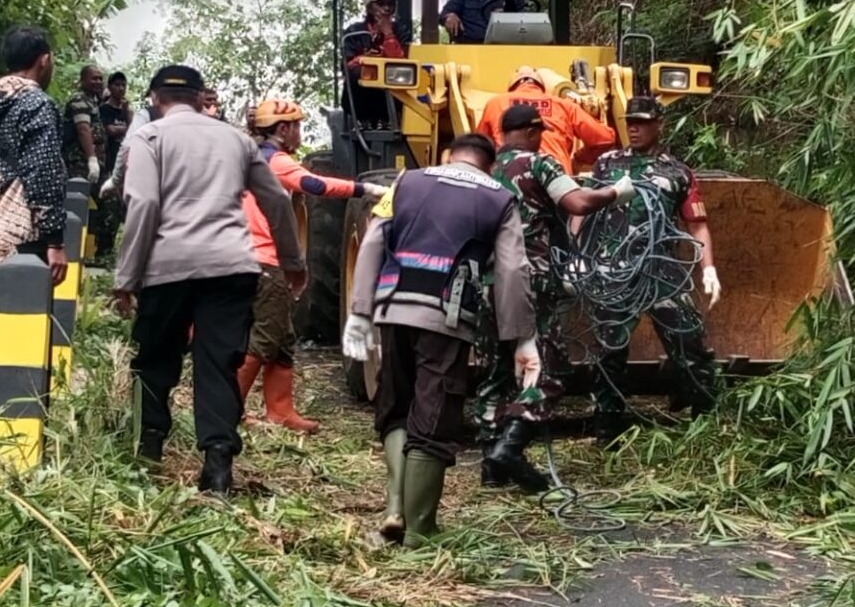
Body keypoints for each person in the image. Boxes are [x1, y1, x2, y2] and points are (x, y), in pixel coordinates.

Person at [112, 64, 304, 495]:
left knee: (156, 360)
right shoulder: (236, 138)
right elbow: (274, 198)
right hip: (230, 267)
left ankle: (148, 454)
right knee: (218, 362)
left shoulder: (150, 137)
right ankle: (217, 467)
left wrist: (127, 277)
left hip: (166, 268)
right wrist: (293, 261)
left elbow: (142, 203)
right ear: (201, 99)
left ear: (155, 100)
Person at [343, 133, 535, 545]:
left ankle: (396, 509)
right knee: (433, 416)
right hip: (445, 319)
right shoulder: (498, 198)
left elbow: (375, 239)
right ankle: (421, 532)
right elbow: (513, 271)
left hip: (393, 311)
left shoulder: (406, 182)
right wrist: (521, 338)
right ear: (489, 164)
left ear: (449, 157)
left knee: (396, 408)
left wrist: (360, 312)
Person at [474, 104, 633, 491]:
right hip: (530, 281)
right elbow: (576, 203)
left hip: (486, 283)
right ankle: (509, 450)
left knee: (495, 369)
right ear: (532, 132)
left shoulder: (482, 171)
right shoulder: (539, 164)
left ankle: (490, 465)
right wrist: (615, 192)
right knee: (549, 370)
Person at [236, 98, 388, 432]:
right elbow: (315, 185)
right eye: (297, 126)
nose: (300, 133)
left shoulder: (251, 157)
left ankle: (280, 411)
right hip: (264, 258)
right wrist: (366, 188)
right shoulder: (276, 162)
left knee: (282, 338)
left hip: (251, 256)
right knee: (265, 337)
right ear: (283, 128)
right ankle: (230, 409)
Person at [587, 96, 723, 446]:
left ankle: (705, 421)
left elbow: (698, 223)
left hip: (662, 271)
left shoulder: (677, 172)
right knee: (609, 351)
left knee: (688, 345)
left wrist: (708, 269)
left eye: (642, 121)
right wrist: (578, 254)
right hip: (615, 270)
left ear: (658, 124)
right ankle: (607, 428)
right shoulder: (606, 164)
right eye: (630, 120)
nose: (633, 126)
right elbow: (584, 210)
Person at [0, 26, 69, 413]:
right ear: (44, 60)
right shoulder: (36, 104)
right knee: (26, 324)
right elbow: (44, 169)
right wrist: (55, 240)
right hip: (24, 231)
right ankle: (20, 414)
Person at [476, 66, 617, 175]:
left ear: (512, 87)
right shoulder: (564, 105)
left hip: (510, 180)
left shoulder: (495, 103)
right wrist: (578, 160)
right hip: (557, 180)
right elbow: (603, 139)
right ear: (541, 87)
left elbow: (479, 148)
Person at [343, 0, 413, 126]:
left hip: (393, 96)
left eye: (390, 4)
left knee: (400, 75)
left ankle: (389, 119)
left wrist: (388, 34)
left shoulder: (401, 30)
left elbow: (402, 63)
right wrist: (366, 60)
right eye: (381, 4)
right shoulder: (354, 31)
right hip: (362, 97)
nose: (386, 8)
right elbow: (347, 65)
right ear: (370, 8)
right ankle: (364, 121)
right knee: (358, 74)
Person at [96, 72, 132, 256]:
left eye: (123, 85)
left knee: (125, 209)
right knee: (109, 209)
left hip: (126, 168)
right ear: (109, 87)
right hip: (108, 164)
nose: (121, 88)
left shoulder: (125, 111)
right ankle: (103, 251)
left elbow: (135, 132)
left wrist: (127, 114)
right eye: (117, 85)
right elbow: (109, 130)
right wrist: (124, 129)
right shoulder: (104, 110)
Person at [62, 65, 106, 185]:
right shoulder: (79, 99)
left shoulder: (94, 101)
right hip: (80, 163)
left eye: (100, 79)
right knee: (79, 199)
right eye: (94, 79)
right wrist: (92, 159)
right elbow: (83, 129)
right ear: (83, 80)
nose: (98, 82)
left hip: (96, 162)